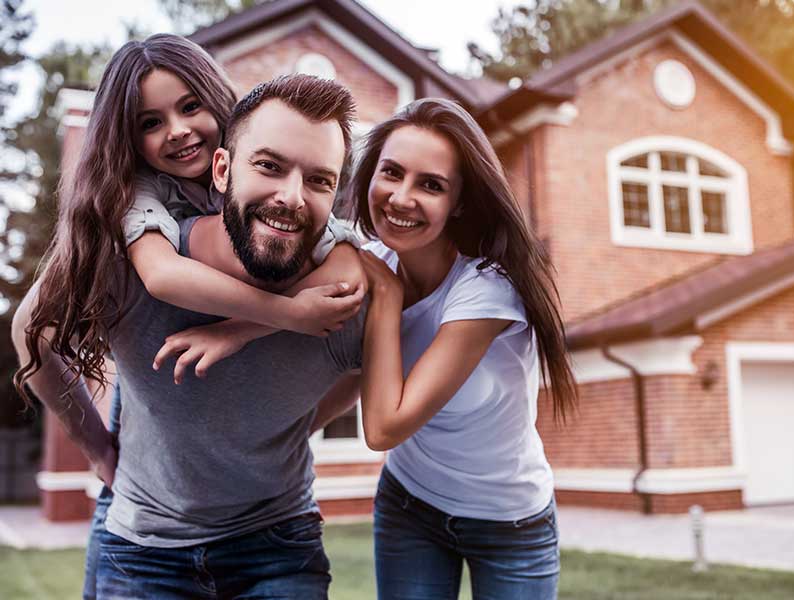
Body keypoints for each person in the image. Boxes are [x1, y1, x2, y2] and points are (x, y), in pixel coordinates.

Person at [12, 74, 364, 599]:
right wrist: (97, 449)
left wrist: (294, 425)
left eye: (319, 180)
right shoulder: (130, 235)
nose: (291, 196)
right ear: (224, 168)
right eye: (268, 166)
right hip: (143, 543)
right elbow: (34, 330)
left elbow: (365, 362)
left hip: (278, 540)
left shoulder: (338, 284)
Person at [351, 98, 577, 599]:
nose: (401, 198)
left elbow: (384, 426)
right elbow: (319, 342)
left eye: (430, 185)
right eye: (392, 172)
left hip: (509, 524)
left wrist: (386, 294)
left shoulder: (487, 288)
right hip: (410, 505)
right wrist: (233, 333)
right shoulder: (368, 259)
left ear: (458, 202)